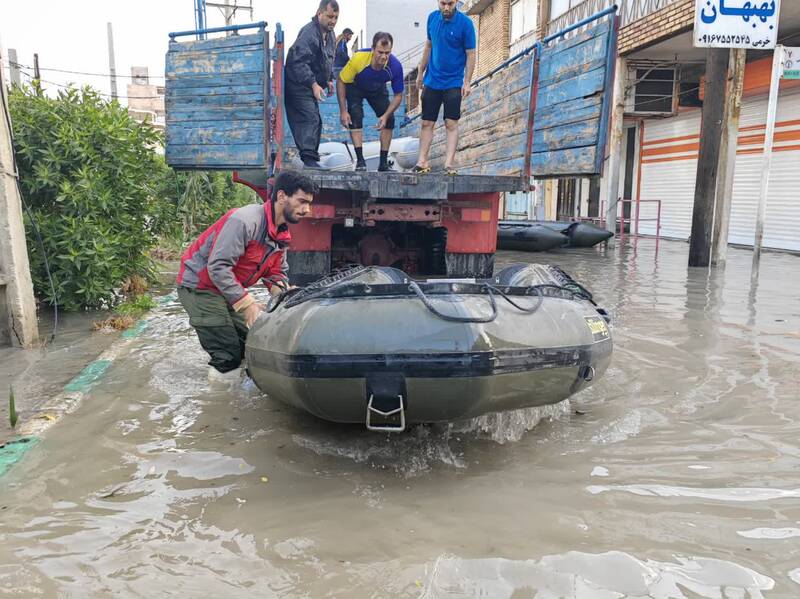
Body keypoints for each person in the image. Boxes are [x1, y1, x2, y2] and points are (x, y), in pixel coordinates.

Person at [176, 171, 318, 378]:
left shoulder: (281, 233)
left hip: (226, 290)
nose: (307, 210)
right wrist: (247, 304)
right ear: (281, 197)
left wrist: (284, 293)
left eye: (309, 203)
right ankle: (218, 402)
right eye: (302, 202)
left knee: (248, 344)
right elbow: (218, 267)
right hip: (200, 286)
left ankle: (231, 386)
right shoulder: (244, 221)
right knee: (228, 353)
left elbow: (276, 273)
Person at [413, 0, 476, 175]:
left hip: (454, 82)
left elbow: (470, 54)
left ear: (456, 2)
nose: (446, 8)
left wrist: (467, 81)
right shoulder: (432, 18)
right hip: (432, 80)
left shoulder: (466, 24)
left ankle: (449, 164)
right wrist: (420, 72)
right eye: (443, 3)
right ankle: (422, 161)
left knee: (451, 123)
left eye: (450, 3)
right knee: (426, 122)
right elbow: (428, 45)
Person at [337, 32, 404, 172]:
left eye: (387, 53)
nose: (384, 57)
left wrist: (385, 116)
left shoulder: (395, 66)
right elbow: (341, 81)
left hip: (377, 88)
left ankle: (383, 164)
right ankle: (360, 162)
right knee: (355, 116)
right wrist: (343, 111)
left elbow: (398, 95)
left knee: (390, 119)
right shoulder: (358, 58)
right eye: (380, 52)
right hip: (355, 86)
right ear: (373, 49)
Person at [284, 0, 339, 169]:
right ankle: (308, 160)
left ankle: (310, 159)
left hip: (309, 85)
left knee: (315, 119)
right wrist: (314, 83)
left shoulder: (330, 35)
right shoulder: (309, 33)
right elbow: (297, 62)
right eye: (330, 16)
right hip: (297, 83)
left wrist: (329, 79)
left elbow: (327, 60)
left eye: (336, 17)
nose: (333, 21)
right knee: (310, 118)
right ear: (319, 13)